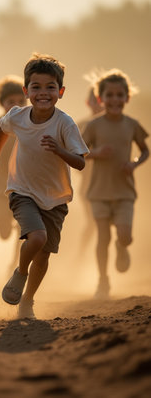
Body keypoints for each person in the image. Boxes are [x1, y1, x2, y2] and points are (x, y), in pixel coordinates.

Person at [0, 53, 88, 319]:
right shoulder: (17, 116)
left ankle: (27, 301)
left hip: (56, 198)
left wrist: (59, 150)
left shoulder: (64, 123)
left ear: (61, 91)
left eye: (50, 87)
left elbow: (80, 162)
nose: (43, 93)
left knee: (43, 256)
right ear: (26, 90)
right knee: (37, 237)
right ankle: (20, 272)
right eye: (36, 87)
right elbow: (2, 130)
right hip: (21, 191)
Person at [82, 69, 149, 299]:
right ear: (100, 99)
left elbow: (145, 151)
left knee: (125, 236)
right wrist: (96, 152)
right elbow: (79, 152)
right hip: (99, 191)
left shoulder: (132, 124)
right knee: (102, 237)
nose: (115, 100)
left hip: (124, 192)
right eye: (109, 95)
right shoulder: (93, 125)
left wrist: (134, 164)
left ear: (127, 98)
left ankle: (123, 247)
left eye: (120, 95)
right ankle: (103, 281)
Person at [0, 75, 26, 277]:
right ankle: (5, 221)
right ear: (2, 103)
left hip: (24, 185)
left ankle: (15, 262)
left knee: (23, 230)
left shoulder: (30, 123)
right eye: (11, 102)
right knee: (2, 229)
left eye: (21, 101)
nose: (16, 106)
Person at [75, 85, 104, 255]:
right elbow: (74, 155)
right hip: (89, 186)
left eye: (102, 100)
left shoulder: (118, 124)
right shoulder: (81, 126)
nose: (100, 105)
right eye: (96, 100)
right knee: (94, 222)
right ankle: (82, 254)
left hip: (112, 185)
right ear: (88, 103)